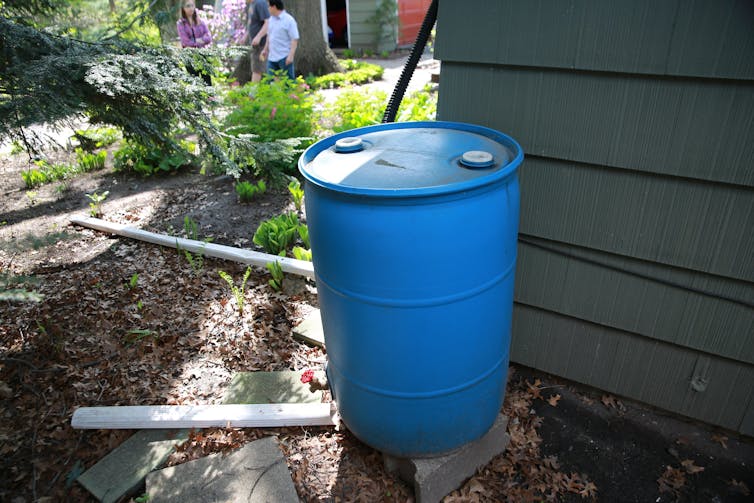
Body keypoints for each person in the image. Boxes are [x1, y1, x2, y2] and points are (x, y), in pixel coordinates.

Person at [176, 1, 213, 85]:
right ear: (183, 8)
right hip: (189, 56)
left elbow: (209, 38)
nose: (191, 8)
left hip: (203, 54)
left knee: (207, 80)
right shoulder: (181, 24)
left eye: (192, 5)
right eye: (188, 6)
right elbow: (186, 42)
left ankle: (210, 98)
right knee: (194, 81)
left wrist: (196, 41)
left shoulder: (201, 22)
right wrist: (199, 41)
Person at [261, 0, 299, 80]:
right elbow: (269, 36)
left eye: (268, 6)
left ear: (274, 7)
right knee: (270, 81)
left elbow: (294, 39)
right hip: (272, 57)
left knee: (288, 82)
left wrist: (291, 56)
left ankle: (292, 93)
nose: (267, 9)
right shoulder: (271, 20)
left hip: (284, 56)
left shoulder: (289, 20)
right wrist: (265, 49)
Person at [246, 0, 270, 83]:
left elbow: (268, 23)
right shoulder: (252, 4)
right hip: (255, 44)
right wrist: (245, 36)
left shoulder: (260, 3)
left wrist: (259, 37)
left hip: (262, 44)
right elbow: (252, 23)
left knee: (257, 70)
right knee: (256, 68)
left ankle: (253, 94)